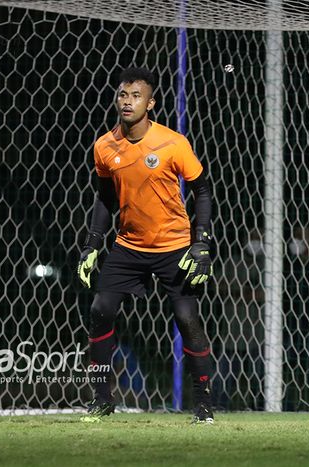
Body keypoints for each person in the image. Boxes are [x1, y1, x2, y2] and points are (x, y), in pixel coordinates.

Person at [76, 67, 215, 424]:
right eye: (123, 94)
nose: (127, 101)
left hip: (174, 245)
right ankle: (102, 400)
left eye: (136, 95)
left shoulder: (173, 143)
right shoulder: (104, 147)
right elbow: (105, 198)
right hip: (129, 246)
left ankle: (203, 405)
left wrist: (201, 244)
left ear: (150, 103)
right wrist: (93, 244)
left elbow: (202, 190)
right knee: (100, 309)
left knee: (187, 318)